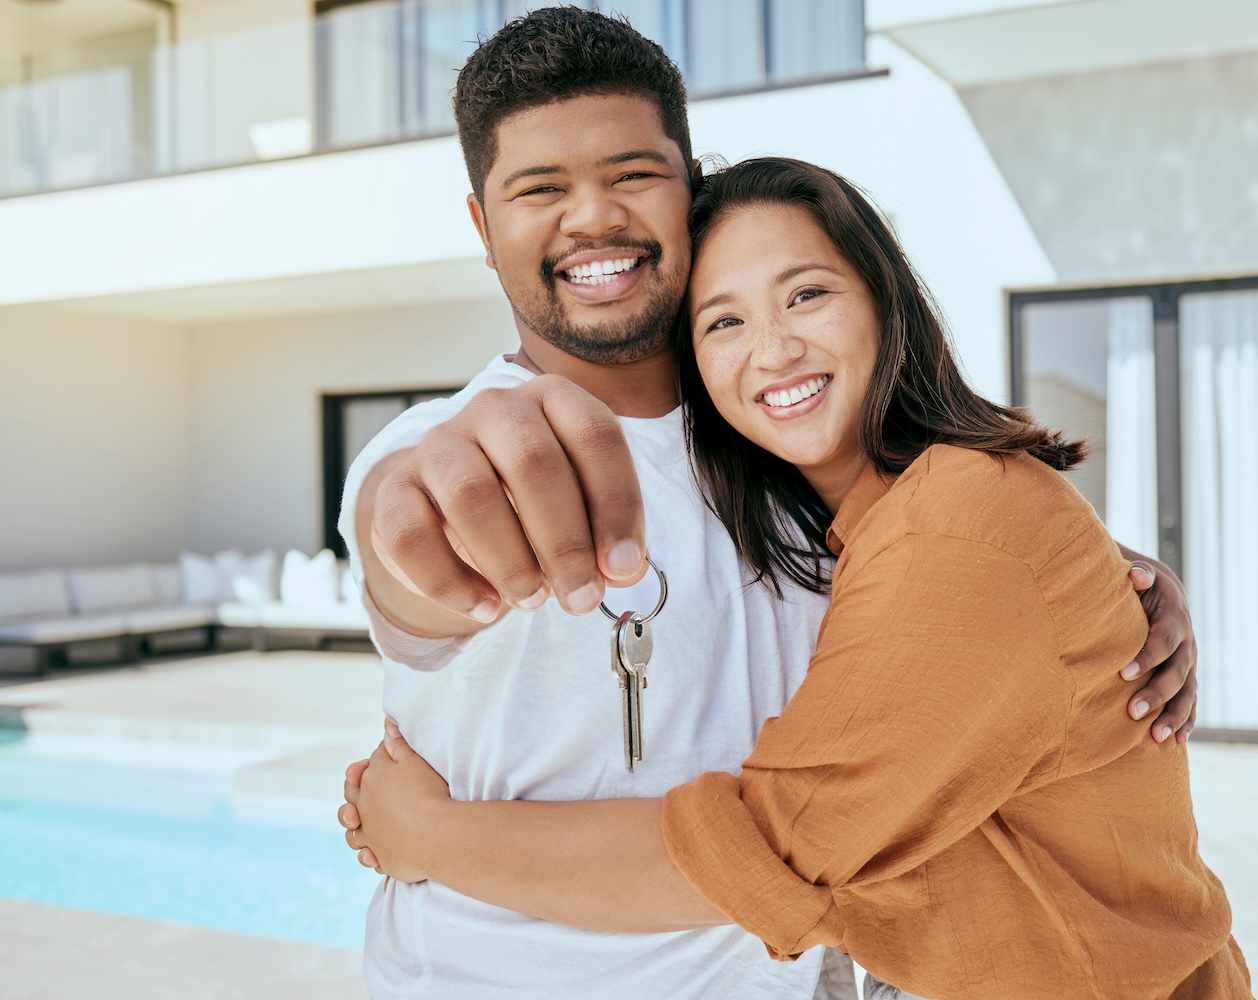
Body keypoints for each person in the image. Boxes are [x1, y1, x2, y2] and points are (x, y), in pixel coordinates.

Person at [335, 8, 1199, 998]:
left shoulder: (775, 455)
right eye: (539, 189)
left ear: (686, 189)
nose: (592, 218)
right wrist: (415, 526)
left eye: (632, 174)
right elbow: (410, 546)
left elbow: (949, 563)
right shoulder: (435, 449)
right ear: (483, 228)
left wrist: (1101, 579)